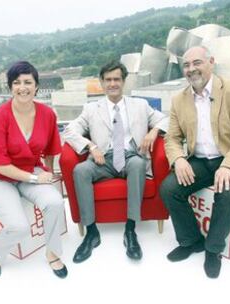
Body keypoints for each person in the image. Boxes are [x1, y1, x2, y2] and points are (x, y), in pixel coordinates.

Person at [160, 46, 230, 278]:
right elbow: (172, 138)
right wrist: (178, 158)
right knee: (169, 189)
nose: (191, 69)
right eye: (186, 65)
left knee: (229, 193)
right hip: (199, 161)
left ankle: (213, 249)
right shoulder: (179, 99)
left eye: (196, 63)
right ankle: (191, 240)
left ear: (211, 62)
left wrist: (229, 165)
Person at [64, 61, 168, 263]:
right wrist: (91, 147)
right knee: (80, 170)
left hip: (131, 157)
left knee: (138, 164)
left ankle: (130, 230)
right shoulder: (91, 109)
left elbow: (167, 120)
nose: (113, 83)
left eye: (117, 79)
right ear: (102, 83)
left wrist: (154, 130)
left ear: (123, 82)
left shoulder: (140, 105)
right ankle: (91, 232)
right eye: (108, 80)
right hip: (103, 159)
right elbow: (69, 130)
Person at [0, 61, 67, 279]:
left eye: (28, 82)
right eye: (16, 82)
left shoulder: (47, 114)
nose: (22, 87)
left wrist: (50, 175)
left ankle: (52, 252)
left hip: (29, 172)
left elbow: (51, 149)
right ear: (10, 87)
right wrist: (36, 177)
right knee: (19, 227)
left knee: (55, 202)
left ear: (36, 86)